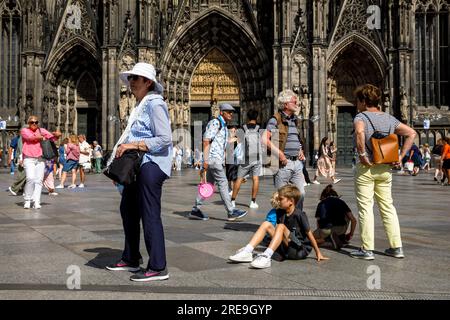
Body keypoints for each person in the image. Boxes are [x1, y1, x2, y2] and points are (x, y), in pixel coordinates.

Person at [105, 62, 172, 282]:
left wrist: (133, 146)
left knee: (149, 213)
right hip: (139, 165)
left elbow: (165, 139)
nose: (131, 82)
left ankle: (158, 266)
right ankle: (132, 256)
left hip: (151, 164)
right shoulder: (141, 105)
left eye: (135, 78)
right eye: (130, 78)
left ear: (148, 82)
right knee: (128, 209)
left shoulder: (155, 104)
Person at [350, 84, 416, 260]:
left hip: (367, 168)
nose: (356, 104)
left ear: (364, 101)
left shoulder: (361, 116)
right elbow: (411, 133)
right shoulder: (389, 118)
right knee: (387, 207)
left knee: (365, 208)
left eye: (358, 100)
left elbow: (359, 132)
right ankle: (396, 247)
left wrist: (363, 154)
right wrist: (401, 156)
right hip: (385, 167)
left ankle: (367, 250)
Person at [228, 185, 328, 269]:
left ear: (291, 201)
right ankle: (247, 251)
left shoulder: (300, 214)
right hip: (286, 246)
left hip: (299, 249)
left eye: (281, 199)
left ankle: (266, 256)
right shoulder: (280, 212)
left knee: (280, 226)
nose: (278, 201)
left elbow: (309, 234)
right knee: (266, 224)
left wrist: (318, 253)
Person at [189, 104, 248, 221]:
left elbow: (221, 143)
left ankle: (195, 209)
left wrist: (235, 138)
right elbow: (206, 141)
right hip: (213, 159)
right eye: (228, 112)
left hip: (216, 159)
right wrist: (205, 160)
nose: (231, 114)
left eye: (232, 112)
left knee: (209, 186)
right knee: (223, 183)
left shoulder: (224, 126)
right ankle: (231, 211)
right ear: (221, 112)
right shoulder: (216, 123)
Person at [262, 89, 307, 211]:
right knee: (282, 198)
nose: (297, 104)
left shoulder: (295, 120)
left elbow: (294, 138)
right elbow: (264, 139)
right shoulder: (275, 120)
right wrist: (280, 154)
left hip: (297, 163)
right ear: (286, 104)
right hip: (283, 164)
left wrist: (300, 149)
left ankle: (296, 222)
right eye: (294, 101)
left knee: (301, 194)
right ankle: (282, 225)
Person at [20, 115, 61, 209]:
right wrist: (43, 136)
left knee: (38, 181)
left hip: (40, 158)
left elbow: (52, 138)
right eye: (32, 122)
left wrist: (57, 135)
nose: (34, 124)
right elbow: (30, 138)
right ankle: (27, 199)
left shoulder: (41, 130)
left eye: (36, 122)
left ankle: (36, 201)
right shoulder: (24, 130)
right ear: (28, 123)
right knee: (30, 178)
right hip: (28, 158)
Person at [231, 109, 262, 209]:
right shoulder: (259, 128)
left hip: (245, 158)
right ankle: (253, 201)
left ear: (247, 117)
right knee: (255, 179)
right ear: (256, 117)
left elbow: (238, 140)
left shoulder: (243, 128)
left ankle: (233, 200)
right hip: (256, 157)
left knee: (239, 179)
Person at [312, 185, 356, 250]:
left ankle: (326, 240)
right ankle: (339, 238)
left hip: (325, 230)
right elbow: (353, 220)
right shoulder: (341, 202)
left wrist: (320, 233)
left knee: (309, 239)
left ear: (323, 196)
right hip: (340, 229)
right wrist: (351, 234)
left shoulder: (321, 203)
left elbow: (318, 221)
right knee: (347, 216)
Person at [225, 125, 240, 197]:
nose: (233, 132)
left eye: (234, 131)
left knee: (234, 175)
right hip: (228, 158)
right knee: (228, 174)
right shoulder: (227, 139)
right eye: (231, 131)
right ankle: (229, 188)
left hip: (235, 159)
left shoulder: (237, 139)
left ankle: (233, 189)